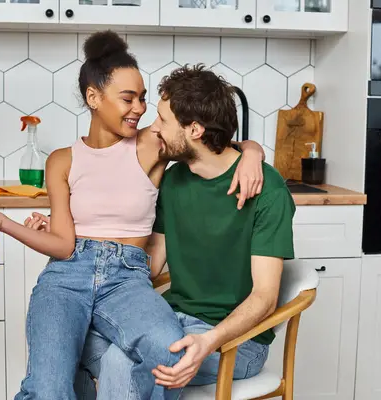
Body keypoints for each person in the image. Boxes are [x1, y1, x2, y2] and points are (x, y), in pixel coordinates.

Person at [0, 31, 267, 400]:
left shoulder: (152, 143)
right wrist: (0, 222)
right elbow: (63, 245)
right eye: (128, 98)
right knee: (49, 390)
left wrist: (252, 151)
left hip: (127, 278)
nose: (139, 109)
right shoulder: (61, 161)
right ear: (93, 97)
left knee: (169, 352)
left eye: (143, 99)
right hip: (66, 278)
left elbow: (206, 139)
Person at [56, 63, 296, 399]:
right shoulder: (173, 180)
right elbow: (150, 265)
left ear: (195, 130)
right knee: (69, 339)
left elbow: (265, 297)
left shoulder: (266, 190)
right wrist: (78, 245)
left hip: (235, 341)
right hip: (170, 318)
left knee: (121, 361)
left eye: (163, 121)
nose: (153, 129)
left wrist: (207, 341)